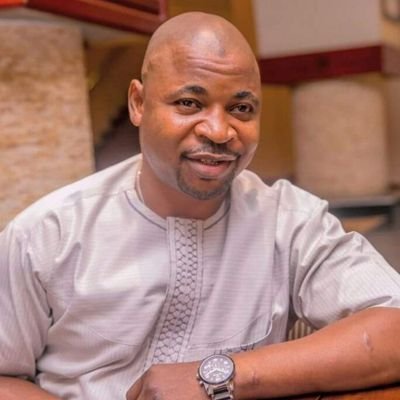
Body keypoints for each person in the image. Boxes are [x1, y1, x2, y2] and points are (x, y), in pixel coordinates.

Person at [0, 11, 400, 400]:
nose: (219, 131)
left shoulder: (289, 222)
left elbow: (394, 325)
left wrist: (220, 377)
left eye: (241, 109)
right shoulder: (46, 235)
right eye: (189, 103)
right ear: (138, 103)